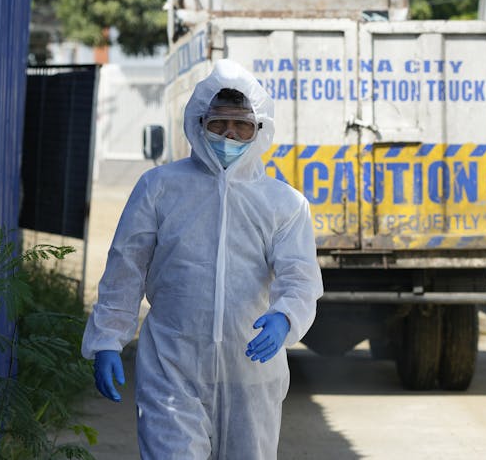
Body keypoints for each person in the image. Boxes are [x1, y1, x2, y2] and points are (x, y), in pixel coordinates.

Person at [81, 58, 323, 459]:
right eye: (219, 124)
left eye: (242, 125)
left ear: (259, 131)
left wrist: (285, 317)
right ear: (199, 124)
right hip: (172, 365)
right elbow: (126, 268)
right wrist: (108, 337)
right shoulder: (159, 188)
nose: (230, 134)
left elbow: (299, 278)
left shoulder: (284, 204)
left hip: (251, 373)